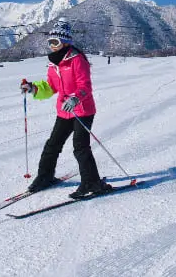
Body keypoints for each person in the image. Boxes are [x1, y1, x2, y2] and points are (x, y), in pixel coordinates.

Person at [20, 18, 112, 199]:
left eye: (55, 42)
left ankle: (92, 183)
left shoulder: (77, 59)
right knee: (52, 144)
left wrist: (76, 98)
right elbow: (51, 87)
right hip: (64, 111)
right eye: (50, 42)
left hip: (82, 110)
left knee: (80, 146)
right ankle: (45, 177)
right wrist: (33, 88)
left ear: (65, 42)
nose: (52, 46)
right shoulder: (53, 64)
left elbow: (85, 86)